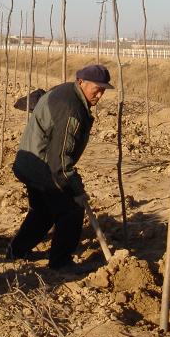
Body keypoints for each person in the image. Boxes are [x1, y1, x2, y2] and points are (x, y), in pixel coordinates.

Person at [7, 64, 113, 269]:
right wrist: (75, 189)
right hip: (42, 167)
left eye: (103, 90)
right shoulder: (71, 110)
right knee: (71, 210)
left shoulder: (66, 91)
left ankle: (16, 250)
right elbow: (60, 160)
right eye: (96, 89)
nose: (99, 95)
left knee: (43, 211)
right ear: (81, 82)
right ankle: (61, 262)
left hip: (30, 162)